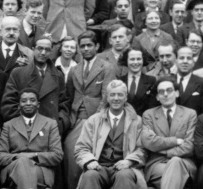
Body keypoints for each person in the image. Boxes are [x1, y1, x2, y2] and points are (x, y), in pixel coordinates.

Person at [63, 31, 118, 189]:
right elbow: (68, 96)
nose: (86, 49)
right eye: (82, 46)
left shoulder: (107, 67)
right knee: (69, 149)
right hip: (76, 119)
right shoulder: (74, 69)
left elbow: (107, 96)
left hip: (98, 118)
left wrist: (96, 119)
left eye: (89, 45)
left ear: (97, 46)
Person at [74, 80, 149, 189]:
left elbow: (142, 148)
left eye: (120, 95)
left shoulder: (136, 121)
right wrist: (90, 160)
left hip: (125, 167)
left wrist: (129, 161)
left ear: (126, 97)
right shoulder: (93, 120)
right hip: (99, 166)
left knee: (125, 176)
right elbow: (81, 147)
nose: (116, 98)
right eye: (112, 95)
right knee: (90, 175)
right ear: (107, 97)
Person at [0, 88, 64, 189]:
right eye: (24, 101)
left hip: (40, 169)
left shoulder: (50, 124)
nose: (28, 103)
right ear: (19, 106)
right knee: (22, 163)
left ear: (38, 104)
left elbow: (57, 155)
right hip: (14, 168)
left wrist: (33, 155)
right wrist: (18, 158)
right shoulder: (9, 125)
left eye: (32, 100)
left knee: (24, 165)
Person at [1, 36, 71, 134]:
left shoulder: (58, 75)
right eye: (40, 48)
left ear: (51, 52)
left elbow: (64, 103)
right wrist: (24, 125)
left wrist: (60, 124)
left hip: (51, 130)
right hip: (25, 130)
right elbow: (8, 104)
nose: (43, 53)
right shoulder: (18, 73)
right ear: (33, 50)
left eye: (47, 50)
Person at [142, 77, 198, 189]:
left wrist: (164, 150)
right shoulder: (149, 115)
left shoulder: (190, 114)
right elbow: (149, 142)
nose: (166, 94)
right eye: (161, 92)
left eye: (169, 90)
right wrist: (175, 141)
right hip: (157, 164)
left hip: (184, 162)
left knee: (175, 162)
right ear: (157, 97)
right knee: (175, 172)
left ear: (177, 93)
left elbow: (190, 145)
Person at [174, 46, 203, 114]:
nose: (185, 61)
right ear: (176, 61)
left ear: (193, 62)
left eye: (189, 58)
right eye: (181, 58)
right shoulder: (167, 82)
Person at [119, 48, 157, 115]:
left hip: (144, 121)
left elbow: (152, 107)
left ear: (143, 60)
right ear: (126, 61)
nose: (135, 62)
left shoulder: (151, 81)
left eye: (138, 59)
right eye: (132, 59)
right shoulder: (119, 81)